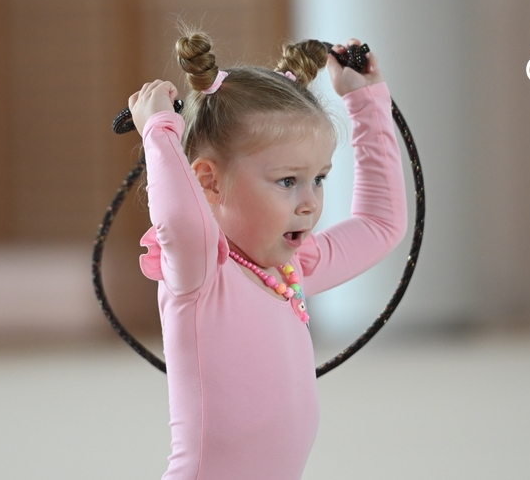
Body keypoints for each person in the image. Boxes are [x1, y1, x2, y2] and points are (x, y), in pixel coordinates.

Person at [128, 30, 407, 479]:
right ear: (210, 182)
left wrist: (365, 101)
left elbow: (381, 225)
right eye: (287, 181)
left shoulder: (289, 269)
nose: (310, 203)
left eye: (319, 179)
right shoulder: (201, 273)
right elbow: (181, 224)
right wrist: (160, 132)